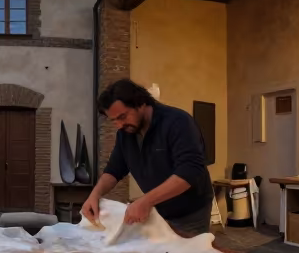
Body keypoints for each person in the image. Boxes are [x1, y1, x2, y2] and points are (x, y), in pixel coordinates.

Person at [81, 79, 213, 237]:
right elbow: (114, 170)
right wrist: (95, 194)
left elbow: (189, 172)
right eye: (114, 120)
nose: (119, 125)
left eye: (122, 116)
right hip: (157, 210)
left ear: (141, 103)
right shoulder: (126, 133)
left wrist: (145, 201)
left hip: (189, 214)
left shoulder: (178, 122)